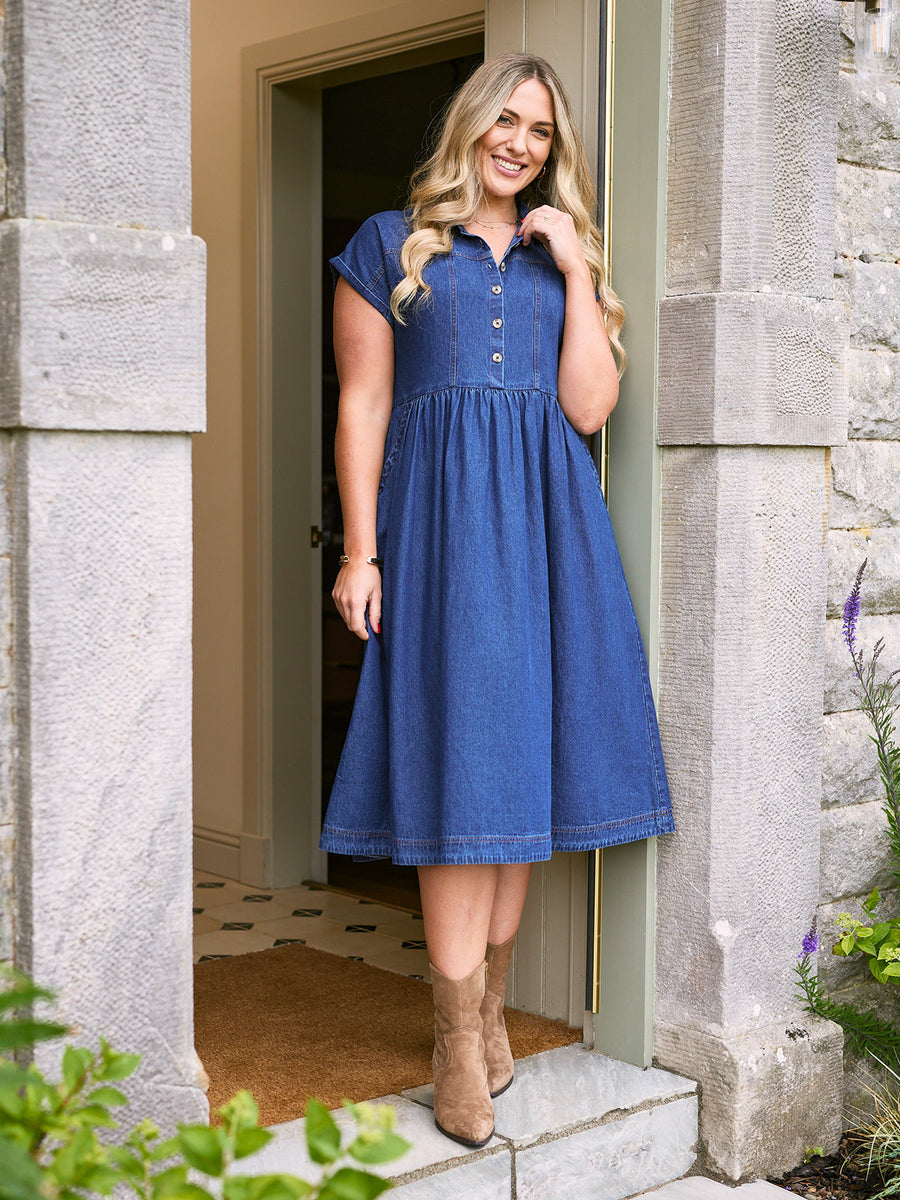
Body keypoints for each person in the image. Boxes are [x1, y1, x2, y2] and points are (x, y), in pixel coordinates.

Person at [320, 52, 675, 1148]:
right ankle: (454, 1040)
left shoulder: (556, 257)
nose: (522, 143)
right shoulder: (391, 244)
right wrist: (362, 554)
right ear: (471, 124)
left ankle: (485, 1015)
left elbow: (587, 408)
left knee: (522, 770)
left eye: (542, 131)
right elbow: (363, 405)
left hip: (550, 535)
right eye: (507, 121)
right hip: (441, 537)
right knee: (459, 776)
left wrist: (577, 268)